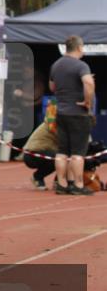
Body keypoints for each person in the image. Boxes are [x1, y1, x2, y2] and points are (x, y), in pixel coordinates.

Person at [49, 35, 95, 196]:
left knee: (62, 151)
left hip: (61, 112)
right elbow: (88, 83)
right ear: (79, 48)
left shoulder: (56, 65)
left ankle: (61, 184)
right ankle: (78, 184)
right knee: (77, 153)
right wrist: (87, 101)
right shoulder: (81, 65)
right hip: (78, 114)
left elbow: (52, 86)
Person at [22, 119, 58, 190]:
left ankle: (57, 181)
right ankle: (39, 177)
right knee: (62, 158)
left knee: (63, 158)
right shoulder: (53, 124)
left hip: (40, 152)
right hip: (33, 154)